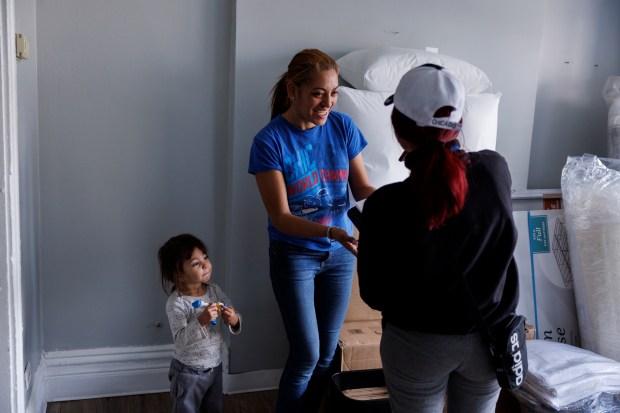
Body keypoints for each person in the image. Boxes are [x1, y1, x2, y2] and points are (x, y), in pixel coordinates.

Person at [357, 64, 519, 413]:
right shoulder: (495, 170)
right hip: (489, 341)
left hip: (417, 347)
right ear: (459, 124)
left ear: (399, 130)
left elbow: (374, 294)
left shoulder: (384, 205)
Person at [248, 48, 375, 412]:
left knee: (324, 357)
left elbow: (362, 187)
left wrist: (397, 200)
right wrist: (332, 233)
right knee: (307, 353)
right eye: (319, 93)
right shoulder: (269, 142)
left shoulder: (343, 127)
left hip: (340, 257)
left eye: (333, 93)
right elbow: (281, 217)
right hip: (294, 255)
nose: (328, 103)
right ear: (294, 90)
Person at [158, 233, 241, 413]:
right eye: (196, 263)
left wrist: (233, 320)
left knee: (213, 408)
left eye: (205, 257)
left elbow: (231, 314)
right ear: (179, 274)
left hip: (214, 366)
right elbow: (180, 340)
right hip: (188, 373)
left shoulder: (214, 290)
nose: (205, 265)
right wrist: (201, 320)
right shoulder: (177, 303)